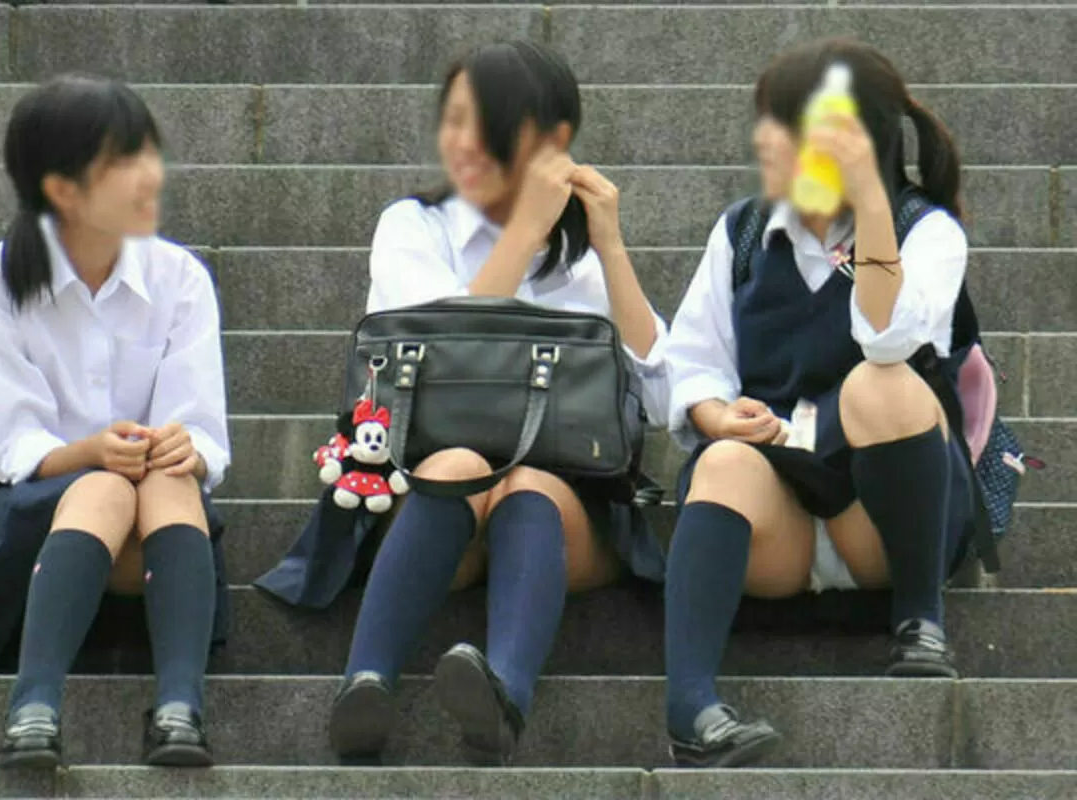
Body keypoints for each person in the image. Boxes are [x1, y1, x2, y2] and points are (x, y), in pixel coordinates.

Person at [324, 40, 669, 765]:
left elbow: (660, 394)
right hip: (431, 492)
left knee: (529, 478)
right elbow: (442, 342)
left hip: (561, 506)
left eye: (485, 123)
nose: (462, 141)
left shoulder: (580, 255)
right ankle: (364, 685)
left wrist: (609, 247)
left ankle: (503, 697)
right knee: (458, 462)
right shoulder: (413, 226)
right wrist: (523, 232)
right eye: (453, 120)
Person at [657, 37, 973, 767]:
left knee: (879, 382)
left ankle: (920, 621)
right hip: (781, 517)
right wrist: (718, 416)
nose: (770, 145)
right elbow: (693, 363)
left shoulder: (928, 232)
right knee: (722, 461)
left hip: (885, 523)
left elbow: (888, 339)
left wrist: (871, 206)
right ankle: (690, 708)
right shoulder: (742, 232)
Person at [0, 75, 231, 770]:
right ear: (62, 188)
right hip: (20, 511)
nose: (149, 174)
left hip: (153, 517)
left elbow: (201, 431)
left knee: (164, 481)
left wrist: (181, 446)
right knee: (104, 486)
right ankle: (34, 707)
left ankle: (178, 708)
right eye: (123, 160)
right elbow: (14, 444)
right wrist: (93, 452)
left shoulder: (180, 277)